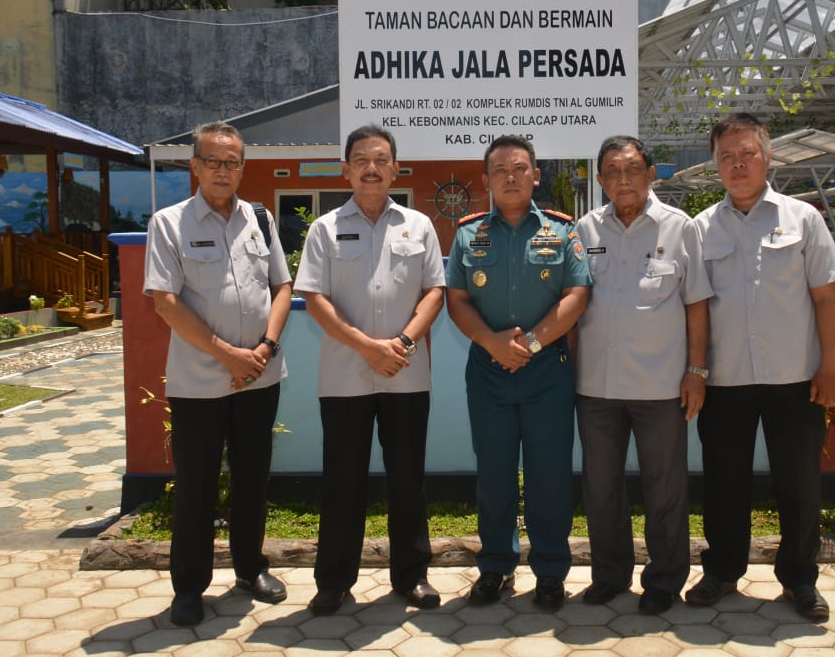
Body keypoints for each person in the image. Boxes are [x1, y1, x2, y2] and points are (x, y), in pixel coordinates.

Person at [687, 113, 835, 621]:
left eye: (746, 153)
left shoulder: (803, 220)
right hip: (725, 380)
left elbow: (826, 298)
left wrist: (832, 368)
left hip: (794, 378)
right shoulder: (700, 229)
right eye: (726, 156)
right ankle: (722, 571)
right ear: (715, 164)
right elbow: (693, 307)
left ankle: (800, 579)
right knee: (723, 481)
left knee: (798, 483)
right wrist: (696, 372)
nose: (737, 164)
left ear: (767, 156)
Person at [144, 121, 292, 627]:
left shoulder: (261, 220)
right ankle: (189, 586)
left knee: (253, 479)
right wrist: (229, 354)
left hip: (260, 376)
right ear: (195, 166)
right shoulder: (168, 223)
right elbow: (165, 303)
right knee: (197, 486)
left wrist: (265, 349)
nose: (223, 171)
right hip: (200, 383)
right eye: (213, 161)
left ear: (242, 167)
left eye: (232, 162)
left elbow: (282, 288)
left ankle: (250, 569)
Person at [294, 124, 446, 615]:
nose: (371, 168)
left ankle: (412, 577)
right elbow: (313, 297)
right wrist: (366, 346)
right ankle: (334, 581)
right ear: (346, 170)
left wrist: (399, 342)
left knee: (408, 479)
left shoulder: (418, 225)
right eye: (361, 159)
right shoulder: (325, 227)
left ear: (396, 168)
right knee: (343, 481)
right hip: (344, 377)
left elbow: (435, 292)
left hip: (406, 372)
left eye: (381, 159)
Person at [446, 134, 591, 611]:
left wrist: (528, 344)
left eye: (519, 168)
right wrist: (492, 343)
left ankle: (550, 571)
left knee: (550, 475)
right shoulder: (467, 234)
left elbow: (576, 295)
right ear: (486, 179)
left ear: (535, 175)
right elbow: (457, 300)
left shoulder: (562, 230)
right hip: (488, 372)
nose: (510, 177)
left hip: (546, 370)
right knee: (494, 475)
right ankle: (496, 567)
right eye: (500, 170)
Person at [574, 136, 710, 615]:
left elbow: (696, 305)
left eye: (632, 169)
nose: (623, 180)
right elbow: (574, 303)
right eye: (612, 171)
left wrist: (696, 371)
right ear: (600, 180)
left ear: (652, 174)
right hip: (596, 386)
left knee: (664, 486)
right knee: (601, 486)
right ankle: (610, 575)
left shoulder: (681, 228)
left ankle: (665, 579)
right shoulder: (585, 228)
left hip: (661, 386)